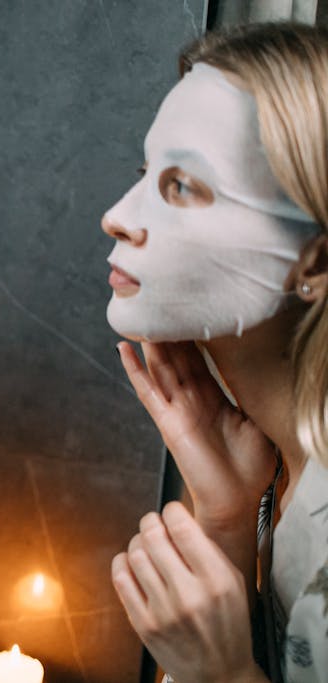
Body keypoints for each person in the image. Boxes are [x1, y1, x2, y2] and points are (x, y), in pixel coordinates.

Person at [102, 22, 328, 683]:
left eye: (181, 187)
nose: (116, 215)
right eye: (147, 173)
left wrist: (224, 676)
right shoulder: (283, 475)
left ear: (314, 261)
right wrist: (227, 527)